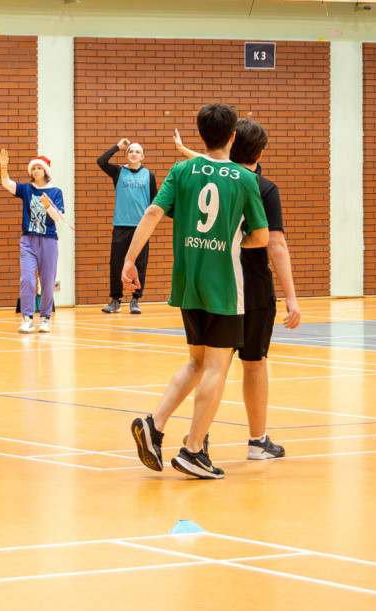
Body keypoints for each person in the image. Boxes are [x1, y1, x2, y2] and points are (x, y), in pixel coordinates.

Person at [122, 103, 268, 480]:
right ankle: (192, 451)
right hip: (223, 285)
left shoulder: (181, 168)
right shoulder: (244, 179)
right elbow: (262, 236)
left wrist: (129, 261)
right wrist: (234, 241)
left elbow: (153, 213)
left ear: (201, 135)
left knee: (196, 362)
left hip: (187, 281)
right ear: (233, 137)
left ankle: (154, 425)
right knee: (216, 367)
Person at [173, 120, 301, 459]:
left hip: (211, 284)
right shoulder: (261, 186)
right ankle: (257, 442)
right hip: (253, 288)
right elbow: (276, 243)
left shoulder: (207, 176)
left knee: (208, 364)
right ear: (260, 151)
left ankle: (198, 435)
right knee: (254, 363)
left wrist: (188, 153)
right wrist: (291, 297)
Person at [0, 150, 66, 334]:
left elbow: (57, 218)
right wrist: (4, 167)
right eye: (33, 168)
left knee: (47, 280)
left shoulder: (55, 192)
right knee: (27, 279)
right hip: (28, 240)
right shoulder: (27, 189)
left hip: (49, 241)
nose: (36, 171)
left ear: (45, 171)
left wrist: (47, 205)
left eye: (39, 168)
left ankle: (45, 318)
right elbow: (7, 184)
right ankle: (27, 318)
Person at [96, 138, 157, 314]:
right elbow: (101, 161)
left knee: (140, 263)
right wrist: (117, 146)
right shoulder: (118, 172)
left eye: (137, 152)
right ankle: (115, 300)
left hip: (141, 227)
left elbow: (154, 200)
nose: (134, 154)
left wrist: (150, 222)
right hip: (121, 225)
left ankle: (135, 300)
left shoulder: (149, 175)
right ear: (126, 155)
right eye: (130, 151)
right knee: (116, 263)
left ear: (142, 157)